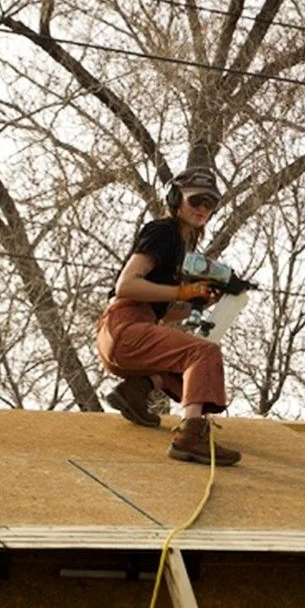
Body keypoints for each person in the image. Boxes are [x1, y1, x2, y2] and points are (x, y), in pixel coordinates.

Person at [97, 167, 243, 465]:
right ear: (176, 199)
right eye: (196, 200)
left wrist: (198, 301)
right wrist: (183, 292)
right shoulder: (163, 231)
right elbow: (126, 286)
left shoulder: (181, 246)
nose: (203, 208)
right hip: (124, 326)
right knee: (203, 353)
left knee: (185, 358)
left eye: (210, 203)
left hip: (128, 330)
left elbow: (162, 310)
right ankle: (191, 436)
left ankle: (135, 391)